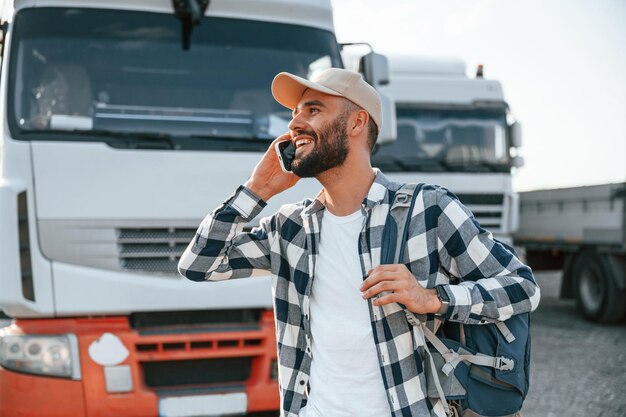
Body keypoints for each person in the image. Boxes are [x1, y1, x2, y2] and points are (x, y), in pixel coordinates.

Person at [178, 68, 540, 417]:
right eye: (294, 113)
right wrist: (256, 189)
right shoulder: (289, 227)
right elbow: (198, 265)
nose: (294, 124)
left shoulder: (426, 209)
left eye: (313, 109)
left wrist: (433, 299)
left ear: (356, 122)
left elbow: (522, 287)